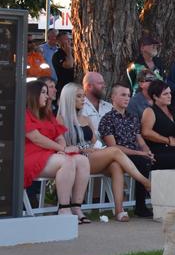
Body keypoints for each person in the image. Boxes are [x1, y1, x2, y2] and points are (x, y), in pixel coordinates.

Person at [58, 83, 152, 222]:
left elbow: (95, 141)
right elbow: (64, 146)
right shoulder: (61, 119)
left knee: (116, 165)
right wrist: (84, 148)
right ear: (68, 98)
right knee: (114, 150)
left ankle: (119, 211)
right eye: (78, 96)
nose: (83, 99)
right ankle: (145, 182)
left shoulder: (85, 119)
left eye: (83, 96)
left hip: (93, 155)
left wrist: (94, 147)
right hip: (77, 157)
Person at [24, 81, 90, 223]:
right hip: (31, 155)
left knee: (83, 160)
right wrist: (62, 150)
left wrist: (62, 148)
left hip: (50, 154)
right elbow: (36, 138)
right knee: (67, 161)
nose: (47, 96)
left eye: (47, 93)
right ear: (32, 95)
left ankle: (76, 207)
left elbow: (59, 137)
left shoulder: (47, 115)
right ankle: (63, 208)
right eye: (43, 92)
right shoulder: (24, 114)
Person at [99, 83, 156, 218]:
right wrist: (141, 153)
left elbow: (140, 140)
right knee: (143, 162)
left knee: (151, 159)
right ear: (113, 97)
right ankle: (141, 206)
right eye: (123, 95)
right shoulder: (107, 119)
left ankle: (159, 202)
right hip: (118, 156)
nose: (127, 98)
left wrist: (147, 151)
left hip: (136, 154)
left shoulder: (132, 117)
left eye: (129, 95)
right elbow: (113, 147)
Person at [141, 80, 175, 169]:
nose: (169, 96)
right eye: (165, 94)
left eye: (170, 93)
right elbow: (146, 132)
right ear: (155, 96)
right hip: (161, 149)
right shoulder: (150, 111)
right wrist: (167, 140)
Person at [52, 32, 74, 97]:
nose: (69, 41)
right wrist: (68, 53)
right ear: (59, 42)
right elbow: (69, 65)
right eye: (66, 39)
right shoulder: (57, 55)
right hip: (64, 87)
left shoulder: (75, 52)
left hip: (76, 85)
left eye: (69, 39)